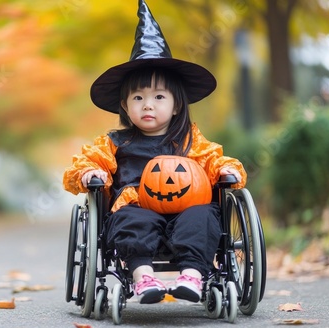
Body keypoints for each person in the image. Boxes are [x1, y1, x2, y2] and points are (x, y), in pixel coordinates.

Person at [63, 0, 247, 305]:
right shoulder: (114, 141)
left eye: (159, 96)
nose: (148, 104)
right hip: (138, 208)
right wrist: (88, 172)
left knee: (203, 217)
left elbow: (214, 158)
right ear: (125, 105)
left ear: (176, 105)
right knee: (130, 219)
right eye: (138, 97)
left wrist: (227, 171)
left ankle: (193, 275)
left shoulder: (190, 140)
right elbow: (81, 165)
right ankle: (142, 277)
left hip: (186, 210)